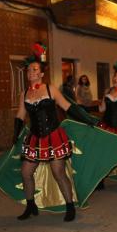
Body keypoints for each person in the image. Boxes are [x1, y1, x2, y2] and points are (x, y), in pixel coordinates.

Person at [13, 49, 97, 222]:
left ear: (42, 73)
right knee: (26, 172)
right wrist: (14, 135)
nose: (31, 72)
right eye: (29, 70)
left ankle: (69, 206)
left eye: (35, 69)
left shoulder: (50, 89)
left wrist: (87, 118)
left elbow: (68, 106)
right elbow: (21, 115)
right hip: (34, 138)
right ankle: (30, 205)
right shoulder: (24, 94)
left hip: (53, 136)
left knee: (58, 171)